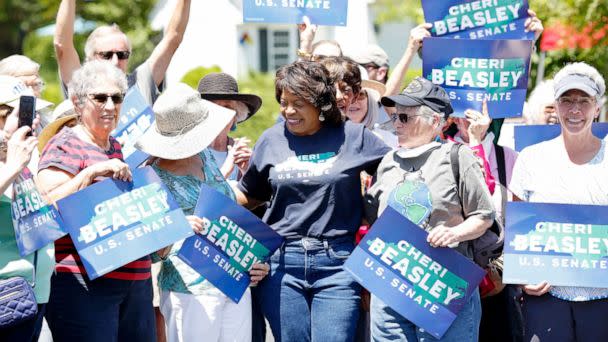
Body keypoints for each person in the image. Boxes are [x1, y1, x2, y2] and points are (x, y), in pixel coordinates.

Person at [233, 60, 390, 341]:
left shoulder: (354, 136)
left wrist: (372, 207)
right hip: (281, 265)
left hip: (338, 264)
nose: (288, 111)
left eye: (298, 103)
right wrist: (199, 194)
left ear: (321, 104)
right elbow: (249, 195)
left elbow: (394, 172)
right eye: (283, 102)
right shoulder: (270, 140)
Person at [132, 83, 269, 342]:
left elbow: (229, 214)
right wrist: (176, 227)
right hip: (189, 291)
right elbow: (145, 249)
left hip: (235, 283)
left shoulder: (206, 157)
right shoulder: (151, 177)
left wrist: (255, 261)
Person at [364, 77, 495, 342]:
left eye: (406, 117)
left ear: (436, 121)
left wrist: (454, 233)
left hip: (442, 284)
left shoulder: (456, 156)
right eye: (396, 117)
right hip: (391, 285)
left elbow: (484, 215)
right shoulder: (387, 161)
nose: (397, 124)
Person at [36, 61, 156, 341]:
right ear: (77, 103)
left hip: (134, 283)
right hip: (84, 284)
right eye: (100, 97)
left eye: (117, 98)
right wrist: (89, 174)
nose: (110, 106)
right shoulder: (65, 144)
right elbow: (44, 210)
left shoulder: (115, 146)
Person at [510, 62, 608, 341]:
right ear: (556, 105)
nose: (574, 110)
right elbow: (518, 229)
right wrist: (522, 277)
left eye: (583, 101)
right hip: (546, 297)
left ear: (596, 108)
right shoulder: (531, 158)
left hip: (602, 298)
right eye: (566, 101)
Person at [54, 0, 191, 104]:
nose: (115, 61)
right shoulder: (81, 85)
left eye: (121, 55)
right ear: (90, 59)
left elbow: (173, 37)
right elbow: (62, 45)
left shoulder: (139, 83)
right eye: (106, 55)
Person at [0, 89, 48, 342]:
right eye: (24, 114)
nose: (33, 120)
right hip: (5, 293)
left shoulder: (24, 154)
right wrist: (13, 166)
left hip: (34, 290)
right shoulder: (16, 159)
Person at [198, 72, 261, 182]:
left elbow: (253, 196)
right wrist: (228, 167)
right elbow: (195, 195)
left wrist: (247, 171)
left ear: (236, 116)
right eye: (213, 106)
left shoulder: (239, 151)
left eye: (227, 107)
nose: (220, 113)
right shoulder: (190, 151)